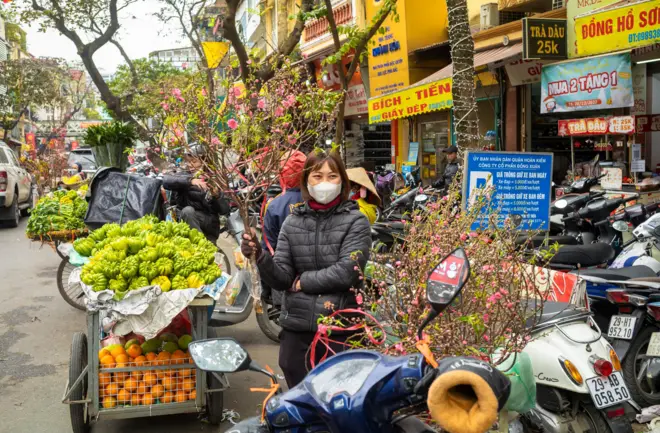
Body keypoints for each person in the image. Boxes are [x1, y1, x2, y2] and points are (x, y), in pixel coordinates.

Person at [241, 150, 371, 388]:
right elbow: (282, 277)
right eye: (317, 176)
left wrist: (303, 282)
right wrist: (259, 256)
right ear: (305, 181)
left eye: (332, 176)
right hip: (297, 329)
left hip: (339, 329)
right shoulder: (293, 222)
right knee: (301, 401)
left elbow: (347, 272)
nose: (324, 183)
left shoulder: (356, 221)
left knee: (337, 400)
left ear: (342, 181)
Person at [162, 144, 230, 243]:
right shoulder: (184, 175)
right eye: (188, 161)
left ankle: (202, 245)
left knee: (188, 211)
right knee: (187, 211)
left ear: (205, 162)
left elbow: (225, 210)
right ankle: (200, 243)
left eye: (194, 161)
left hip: (208, 224)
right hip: (185, 221)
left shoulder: (214, 179)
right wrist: (190, 181)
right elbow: (167, 180)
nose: (190, 165)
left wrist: (217, 196)